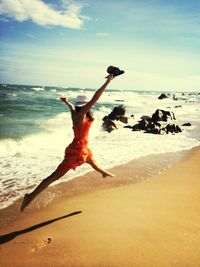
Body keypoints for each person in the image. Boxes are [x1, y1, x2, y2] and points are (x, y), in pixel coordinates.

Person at [21, 74, 114, 211]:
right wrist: (108, 81)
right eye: (87, 105)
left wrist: (66, 101)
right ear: (84, 106)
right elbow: (96, 97)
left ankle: (103, 172)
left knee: (91, 160)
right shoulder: (81, 114)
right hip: (77, 149)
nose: (90, 107)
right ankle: (30, 196)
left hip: (82, 146)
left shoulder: (75, 113)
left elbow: (71, 107)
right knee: (55, 176)